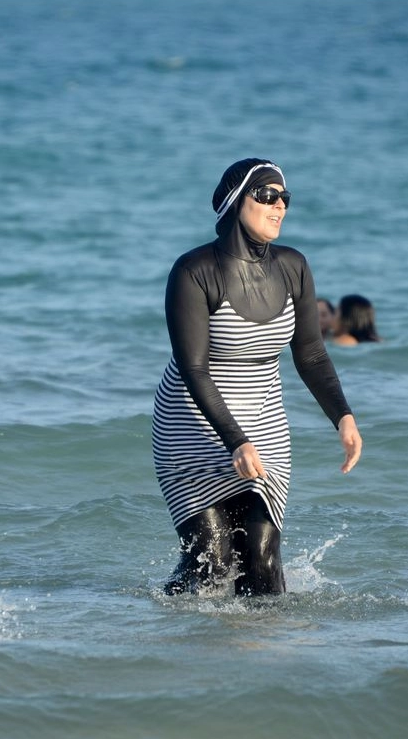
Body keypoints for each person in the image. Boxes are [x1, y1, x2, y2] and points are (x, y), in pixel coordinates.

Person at [152, 158, 362, 596]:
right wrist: (234, 440)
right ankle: (170, 641)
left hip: (264, 425)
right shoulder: (193, 272)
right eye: (266, 194)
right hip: (192, 425)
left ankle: (262, 659)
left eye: (285, 197)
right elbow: (192, 369)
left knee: (263, 561)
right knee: (211, 561)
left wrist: (342, 417)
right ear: (234, 201)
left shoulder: (293, 267)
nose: (279, 204)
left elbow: (310, 353)